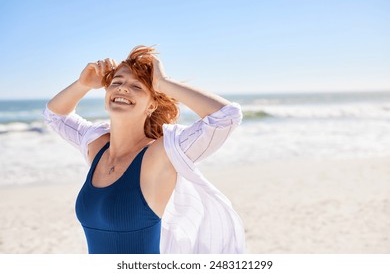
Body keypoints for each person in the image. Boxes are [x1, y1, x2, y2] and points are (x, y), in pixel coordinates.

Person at [43, 45, 245, 254]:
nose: (123, 88)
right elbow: (55, 115)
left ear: (151, 105)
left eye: (137, 86)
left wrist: (163, 83)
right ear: (106, 98)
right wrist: (82, 84)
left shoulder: (160, 154)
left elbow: (226, 117)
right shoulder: (95, 144)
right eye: (117, 82)